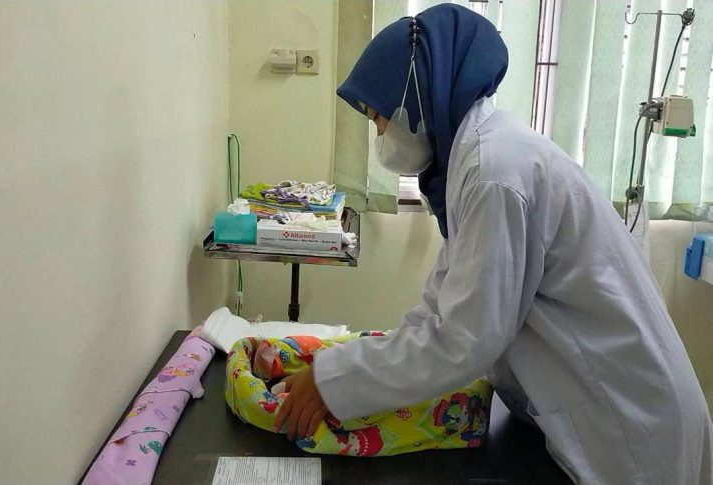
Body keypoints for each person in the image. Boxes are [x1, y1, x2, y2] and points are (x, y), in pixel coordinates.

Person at [274, 4, 713, 484]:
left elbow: (463, 341)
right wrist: (346, 366)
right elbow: (440, 307)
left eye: (380, 118)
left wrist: (334, 379)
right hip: (602, 408)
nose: (380, 136)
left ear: (416, 98)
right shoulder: (473, 164)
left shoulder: (495, 173)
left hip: (628, 424)